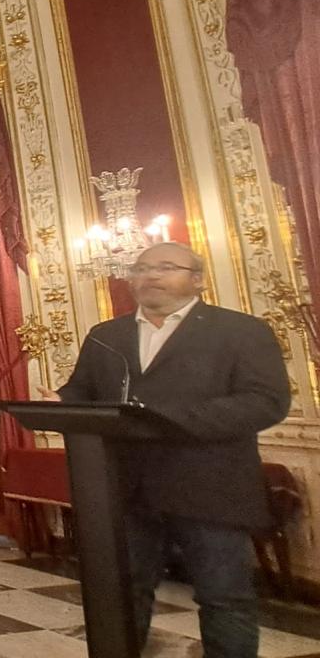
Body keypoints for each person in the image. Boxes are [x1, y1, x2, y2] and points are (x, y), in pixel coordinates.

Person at [38, 242, 288, 657]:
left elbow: (265, 401)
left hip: (210, 487)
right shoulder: (106, 336)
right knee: (122, 593)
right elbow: (82, 390)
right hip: (126, 490)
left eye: (166, 267)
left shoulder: (241, 331)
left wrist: (168, 420)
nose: (151, 275)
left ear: (198, 279)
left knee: (224, 597)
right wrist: (60, 403)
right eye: (140, 268)